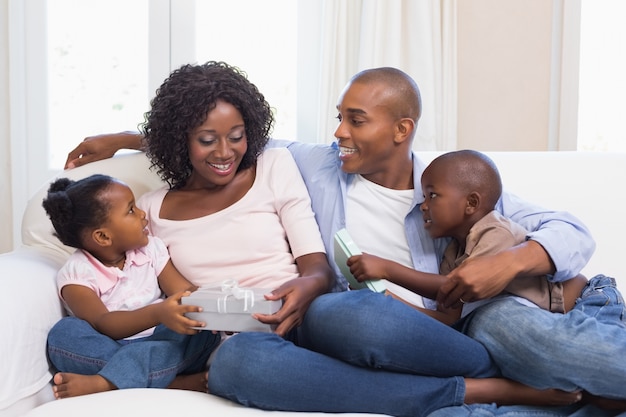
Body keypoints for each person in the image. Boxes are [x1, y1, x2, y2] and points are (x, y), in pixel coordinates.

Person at [61, 66, 610, 416]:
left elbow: (570, 231)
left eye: (355, 120)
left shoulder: (451, 181)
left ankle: (510, 374)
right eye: (338, 119)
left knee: (356, 313)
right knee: (254, 359)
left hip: (459, 324)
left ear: (402, 129)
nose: (339, 132)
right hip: (312, 327)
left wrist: (511, 261)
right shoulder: (317, 165)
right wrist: (125, 139)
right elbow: (219, 135)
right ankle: (486, 388)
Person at [348, 149, 589, 326]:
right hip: (546, 320)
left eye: (432, 196)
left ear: (471, 203)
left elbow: (457, 286)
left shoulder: (496, 232)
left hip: (585, 305)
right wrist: (386, 301)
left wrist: (387, 269)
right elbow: (449, 319)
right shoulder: (453, 255)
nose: (422, 206)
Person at [42, 174, 219, 399]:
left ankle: (106, 381)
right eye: (131, 210)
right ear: (103, 236)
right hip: (109, 345)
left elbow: (183, 292)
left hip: (162, 339)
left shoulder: (151, 249)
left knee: (200, 333)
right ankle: (169, 382)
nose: (143, 214)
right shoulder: (77, 273)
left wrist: (216, 307)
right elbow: (104, 324)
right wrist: (159, 312)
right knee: (63, 334)